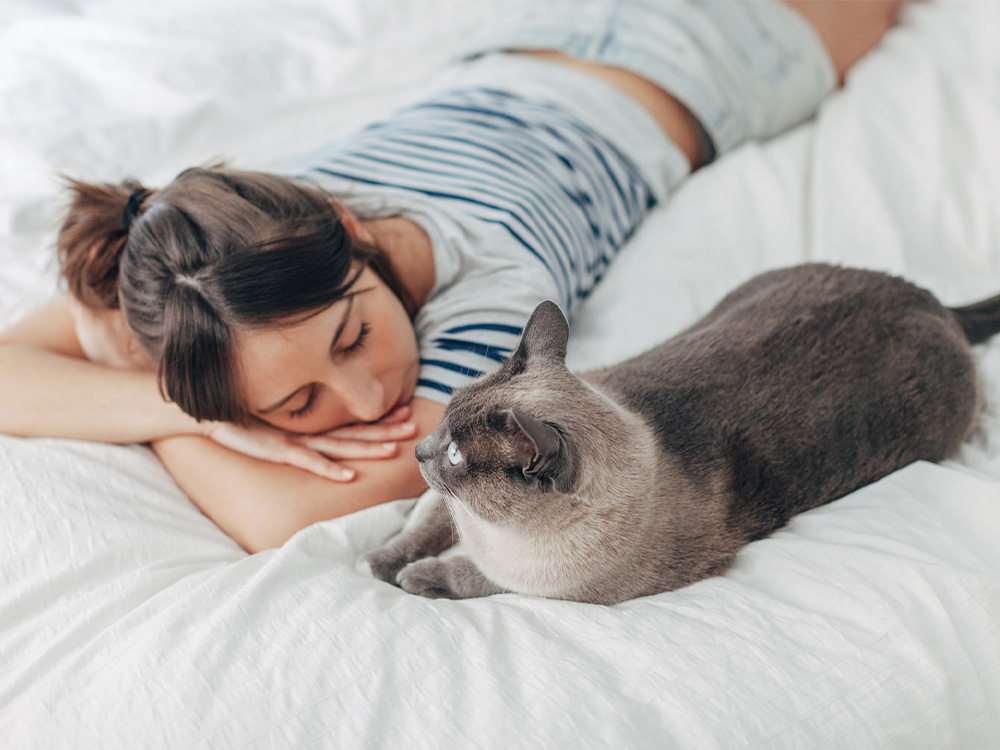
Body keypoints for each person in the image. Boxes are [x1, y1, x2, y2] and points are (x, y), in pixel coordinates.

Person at [0, 0, 903, 553]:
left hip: (551, 33)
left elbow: (278, 513)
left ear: (346, 229)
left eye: (350, 336)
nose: (363, 399)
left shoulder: (449, 283)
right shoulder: (239, 252)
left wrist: (191, 404)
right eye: (297, 406)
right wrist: (185, 408)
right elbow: (280, 518)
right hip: (707, 72)